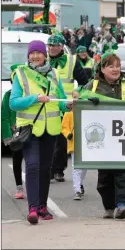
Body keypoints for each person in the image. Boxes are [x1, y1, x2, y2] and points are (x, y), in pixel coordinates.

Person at [9, 40, 72, 224]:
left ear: (45, 55)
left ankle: (43, 207)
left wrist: (66, 105)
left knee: (45, 169)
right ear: (28, 56)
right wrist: (35, 98)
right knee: (32, 166)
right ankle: (33, 209)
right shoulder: (20, 74)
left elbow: (59, 101)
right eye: (32, 53)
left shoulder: (53, 74)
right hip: (30, 129)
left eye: (38, 53)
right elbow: (14, 103)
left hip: (50, 129)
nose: (35, 56)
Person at [76, 51, 125, 219]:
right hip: (101, 137)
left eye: (118, 66)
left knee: (122, 172)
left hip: (124, 135)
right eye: (111, 66)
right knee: (105, 177)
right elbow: (78, 101)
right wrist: (88, 102)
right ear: (102, 68)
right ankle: (108, 206)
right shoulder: (91, 86)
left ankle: (122, 205)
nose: (115, 69)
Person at [47, 34, 88, 183]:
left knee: (62, 139)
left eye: (55, 45)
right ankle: (48, 169)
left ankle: (58, 170)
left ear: (62, 46)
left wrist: (78, 95)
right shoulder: (41, 60)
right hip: (48, 103)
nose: (52, 48)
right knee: (49, 137)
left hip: (67, 105)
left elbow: (85, 82)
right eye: (49, 45)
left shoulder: (72, 61)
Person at [1, 64, 24, 199]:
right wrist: (7, 136)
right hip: (15, 133)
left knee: (33, 162)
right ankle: (19, 187)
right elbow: (3, 116)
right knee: (17, 161)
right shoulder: (8, 95)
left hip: (32, 131)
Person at [61, 92, 87, 200]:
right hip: (74, 144)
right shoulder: (68, 114)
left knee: (84, 168)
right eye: (74, 98)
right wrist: (68, 135)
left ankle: (80, 183)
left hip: (86, 145)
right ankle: (77, 190)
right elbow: (64, 127)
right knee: (76, 167)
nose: (76, 100)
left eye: (78, 98)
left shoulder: (86, 112)